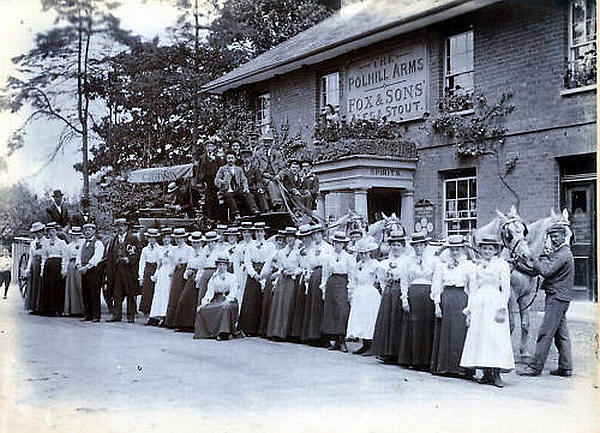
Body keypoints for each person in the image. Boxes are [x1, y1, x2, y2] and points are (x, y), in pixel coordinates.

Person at [519, 222, 574, 377]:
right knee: (561, 334)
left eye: (556, 236)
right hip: (561, 297)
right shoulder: (561, 252)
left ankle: (535, 368)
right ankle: (566, 367)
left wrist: (533, 258)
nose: (554, 239)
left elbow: (546, 270)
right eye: (552, 237)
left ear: (564, 236)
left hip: (556, 297)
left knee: (545, 332)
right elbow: (550, 263)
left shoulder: (563, 254)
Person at [460, 235, 514, 387]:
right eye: (484, 248)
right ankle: (485, 373)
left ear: (495, 250)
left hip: (495, 303)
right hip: (479, 304)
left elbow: (506, 288)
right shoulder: (476, 266)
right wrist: (469, 310)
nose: (487, 251)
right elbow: (472, 289)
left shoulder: (502, 265)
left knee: (495, 337)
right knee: (481, 337)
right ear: (480, 249)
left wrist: (502, 307)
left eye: (490, 248)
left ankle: (496, 374)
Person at [430, 234, 475, 378]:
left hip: (461, 298)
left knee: (459, 332)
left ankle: (460, 368)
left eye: (457, 249)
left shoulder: (469, 265)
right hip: (446, 298)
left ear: (462, 249)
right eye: (452, 250)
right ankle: (443, 366)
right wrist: (437, 304)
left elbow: (472, 288)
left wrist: (470, 308)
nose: (454, 252)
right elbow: (437, 285)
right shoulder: (442, 265)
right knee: (445, 331)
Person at [398, 232, 437, 369]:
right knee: (413, 327)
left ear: (425, 245)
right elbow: (404, 281)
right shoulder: (408, 261)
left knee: (427, 327)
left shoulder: (433, 261)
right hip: (414, 294)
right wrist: (404, 299)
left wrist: (436, 298)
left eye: (421, 245)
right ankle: (414, 360)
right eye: (415, 245)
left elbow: (437, 280)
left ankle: (426, 361)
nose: (418, 248)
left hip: (428, 295)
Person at [372, 229, 410, 363]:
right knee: (387, 320)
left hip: (400, 291)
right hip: (388, 291)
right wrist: (384, 289)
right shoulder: (384, 262)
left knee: (398, 320)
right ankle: (386, 351)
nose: (395, 247)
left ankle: (396, 352)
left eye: (398, 245)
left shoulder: (406, 262)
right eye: (393, 245)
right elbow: (381, 278)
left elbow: (408, 279)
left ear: (403, 246)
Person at [320, 231, 354, 352]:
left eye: (340, 243)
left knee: (342, 310)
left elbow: (351, 274)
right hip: (331, 282)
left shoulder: (349, 258)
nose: (338, 245)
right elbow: (325, 273)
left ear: (344, 244)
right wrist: (323, 288)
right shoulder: (328, 256)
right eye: (336, 243)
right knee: (331, 310)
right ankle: (335, 340)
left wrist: (350, 291)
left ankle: (342, 339)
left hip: (343, 282)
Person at [346, 237, 381, 355]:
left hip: (369, 292)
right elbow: (353, 280)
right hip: (359, 293)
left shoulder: (375, 264)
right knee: (360, 318)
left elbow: (380, 279)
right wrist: (351, 293)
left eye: (365, 253)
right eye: (360, 253)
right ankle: (364, 344)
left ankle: (370, 344)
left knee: (369, 318)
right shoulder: (358, 265)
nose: (362, 255)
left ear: (369, 252)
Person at [240, 222, 276, 336]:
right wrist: (254, 274)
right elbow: (247, 261)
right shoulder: (250, 246)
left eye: (261, 231)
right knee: (251, 300)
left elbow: (270, 260)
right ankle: (249, 329)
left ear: (264, 232)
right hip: (253, 274)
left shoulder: (270, 246)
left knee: (264, 300)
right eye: (257, 231)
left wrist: (263, 274)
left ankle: (262, 329)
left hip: (264, 272)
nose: (259, 234)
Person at [300, 223, 332, 344]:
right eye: (314, 234)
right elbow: (308, 264)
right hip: (314, 276)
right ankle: (312, 335)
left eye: (318, 234)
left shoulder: (328, 248)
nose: (316, 236)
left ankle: (324, 337)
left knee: (321, 305)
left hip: (323, 275)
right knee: (313, 305)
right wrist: (308, 279)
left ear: (322, 235)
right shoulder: (311, 248)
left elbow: (328, 264)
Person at [194, 256, 239, 340]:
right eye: (220, 265)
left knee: (224, 308)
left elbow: (233, 291)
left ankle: (223, 333)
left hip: (230, 300)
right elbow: (209, 293)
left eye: (224, 265)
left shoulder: (232, 277)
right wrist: (204, 303)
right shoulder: (214, 278)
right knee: (203, 309)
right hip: (217, 299)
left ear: (227, 266)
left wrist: (228, 300)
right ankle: (209, 333)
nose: (222, 267)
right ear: (217, 266)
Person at [266, 227, 300, 340]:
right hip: (283, 279)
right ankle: (276, 332)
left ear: (295, 238)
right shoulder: (282, 252)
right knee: (279, 304)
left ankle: (288, 333)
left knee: (289, 304)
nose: (290, 239)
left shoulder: (299, 251)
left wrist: (294, 271)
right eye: (288, 237)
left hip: (292, 279)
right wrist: (282, 271)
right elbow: (279, 266)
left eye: (292, 237)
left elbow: (302, 266)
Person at [105, 218, 140, 323]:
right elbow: (109, 256)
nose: (119, 228)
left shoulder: (133, 238)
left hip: (128, 270)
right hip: (116, 270)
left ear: (126, 227)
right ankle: (117, 315)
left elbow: (138, 251)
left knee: (130, 292)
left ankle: (130, 315)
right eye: (117, 226)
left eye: (122, 226)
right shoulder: (113, 240)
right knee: (117, 293)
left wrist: (129, 259)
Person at [173, 231, 205, 331]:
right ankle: (183, 324)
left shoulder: (203, 252)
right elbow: (189, 264)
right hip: (190, 276)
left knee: (196, 300)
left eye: (197, 242)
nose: (195, 244)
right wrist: (187, 272)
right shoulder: (191, 252)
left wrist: (198, 277)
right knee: (184, 299)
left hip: (199, 276)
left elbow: (203, 266)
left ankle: (193, 325)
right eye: (194, 242)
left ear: (201, 243)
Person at [214, 151, 260, 220]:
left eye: (232, 158)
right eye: (229, 158)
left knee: (247, 194)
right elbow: (216, 180)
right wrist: (222, 182)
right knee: (228, 195)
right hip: (227, 190)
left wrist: (246, 188)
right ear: (226, 159)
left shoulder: (239, 169)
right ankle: (236, 213)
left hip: (237, 189)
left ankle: (254, 209)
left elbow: (244, 180)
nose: (230, 160)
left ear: (235, 159)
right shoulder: (222, 169)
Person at [164, 228, 195, 329]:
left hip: (185, 271)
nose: (178, 240)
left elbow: (191, 261)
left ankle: (181, 322)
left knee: (183, 296)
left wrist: (187, 271)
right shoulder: (174, 249)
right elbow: (172, 262)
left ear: (184, 238)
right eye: (177, 238)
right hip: (177, 272)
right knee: (174, 295)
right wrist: (172, 270)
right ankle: (171, 321)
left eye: (180, 238)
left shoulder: (189, 249)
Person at [288, 224, 312, 340]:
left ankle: (309, 334)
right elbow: (298, 265)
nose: (304, 239)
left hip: (311, 277)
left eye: (307, 237)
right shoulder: (301, 251)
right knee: (300, 304)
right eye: (302, 237)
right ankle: (299, 334)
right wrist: (298, 272)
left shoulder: (314, 250)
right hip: (301, 277)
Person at [78, 223, 105, 322]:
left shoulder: (98, 243)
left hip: (93, 270)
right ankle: (87, 314)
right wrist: (79, 266)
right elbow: (79, 255)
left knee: (94, 292)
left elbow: (97, 257)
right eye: (86, 230)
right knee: (85, 292)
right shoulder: (83, 243)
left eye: (89, 230)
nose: (87, 232)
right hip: (84, 270)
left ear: (94, 231)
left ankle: (96, 315)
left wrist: (88, 266)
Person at [39, 222, 68, 316]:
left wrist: (64, 268)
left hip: (57, 265)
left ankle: (57, 309)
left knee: (57, 286)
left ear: (56, 232)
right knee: (47, 286)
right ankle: (47, 309)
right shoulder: (45, 243)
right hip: (48, 265)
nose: (51, 233)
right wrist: (42, 269)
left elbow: (65, 256)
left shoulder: (61, 242)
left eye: (53, 231)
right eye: (49, 231)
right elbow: (44, 256)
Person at [148, 229, 174, 326]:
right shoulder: (160, 249)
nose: (166, 240)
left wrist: (172, 272)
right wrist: (156, 275)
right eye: (164, 238)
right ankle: (155, 316)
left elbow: (174, 263)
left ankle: (165, 316)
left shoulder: (173, 249)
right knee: (158, 293)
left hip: (169, 272)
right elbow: (159, 264)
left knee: (166, 294)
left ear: (171, 238)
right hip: (162, 272)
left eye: (168, 237)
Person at [196, 139, 224, 223]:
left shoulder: (217, 158)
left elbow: (221, 169)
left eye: (211, 146)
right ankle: (209, 217)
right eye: (207, 146)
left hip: (215, 179)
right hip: (206, 180)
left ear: (214, 148)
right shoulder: (202, 158)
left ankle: (217, 217)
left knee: (216, 198)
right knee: (208, 199)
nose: (209, 148)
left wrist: (214, 160)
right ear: (205, 148)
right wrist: (200, 181)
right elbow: (199, 170)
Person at [138, 228, 161, 317]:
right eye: (150, 238)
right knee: (147, 291)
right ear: (147, 238)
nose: (152, 240)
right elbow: (142, 263)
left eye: (153, 238)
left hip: (156, 269)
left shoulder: (159, 249)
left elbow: (160, 262)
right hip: (147, 270)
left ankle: (154, 311)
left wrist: (157, 274)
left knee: (155, 291)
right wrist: (141, 277)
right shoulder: (145, 250)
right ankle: (146, 310)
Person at [241, 148, 270, 213]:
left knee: (260, 193)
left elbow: (258, 180)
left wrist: (260, 187)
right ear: (242, 159)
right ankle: (255, 209)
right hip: (244, 188)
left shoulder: (254, 168)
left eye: (248, 157)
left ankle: (266, 210)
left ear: (251, 158)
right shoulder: (240, 169)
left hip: (253, 187)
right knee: (248, 195)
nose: (246, 159)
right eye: (244, 157)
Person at [63, 226, 84, 316]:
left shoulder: (84, 243)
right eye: (74, 235)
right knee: (72, 287)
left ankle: (82, 309)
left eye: (77, 235)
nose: (76, 237)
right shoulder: (69, 246)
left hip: (81, 265)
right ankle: (73, 310)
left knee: (81, 286)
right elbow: (66, 258)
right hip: (72, 265)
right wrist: (64, 269)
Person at [24, 222, 45, 312]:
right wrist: (28, 268)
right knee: (33, 284)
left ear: (43, 232)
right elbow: (31, 256)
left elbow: (45, 254)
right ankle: (33, 307)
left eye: (40, 232)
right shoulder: (33, 243)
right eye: (36, 232)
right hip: (34, 264)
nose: (38, 234)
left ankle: (40, 307)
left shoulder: (46, 241)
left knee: (41, 284)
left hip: (42, 262)